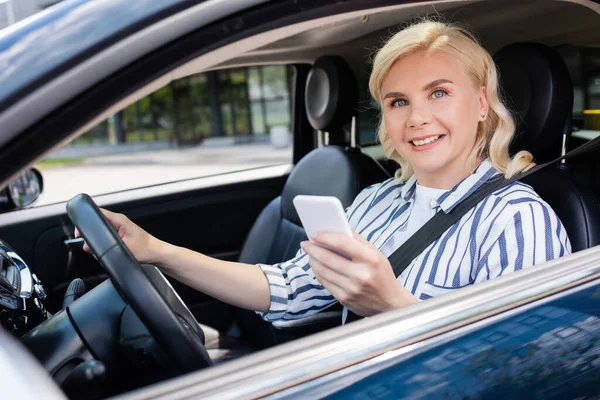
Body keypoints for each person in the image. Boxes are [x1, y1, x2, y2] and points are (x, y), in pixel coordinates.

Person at [76, 20, 571, 326]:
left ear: (482, 104)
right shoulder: (376, 202)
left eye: (439, 93)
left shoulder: (516, 220)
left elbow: (534, 372)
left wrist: (391, 305)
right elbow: (287, 291)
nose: (417, 118)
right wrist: (156, 251)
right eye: (398, 101)